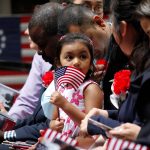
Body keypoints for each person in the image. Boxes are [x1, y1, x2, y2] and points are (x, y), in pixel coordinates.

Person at [80, 0, 150, 142]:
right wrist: (107, 115)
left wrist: (96, 122)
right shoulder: (140, 65)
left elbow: (136, 128)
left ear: (122, 28)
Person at [0, 2, 64, 143]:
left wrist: (6, 135)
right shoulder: (51, 61)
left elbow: (49, 124)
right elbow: (31, 107)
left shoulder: (71, 72)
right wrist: (8, 121)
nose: (40, 52)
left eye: (42, 47)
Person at [42, 33, 104, 137]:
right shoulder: (60, 87)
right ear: (58, 63)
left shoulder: (91, 88)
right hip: (64, 142)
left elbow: (92, 125)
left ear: (91, 62)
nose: (76, 62)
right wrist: (53, 125)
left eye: (83, 57)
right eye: (69, 57)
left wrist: (65, 105)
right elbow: (53, 119)